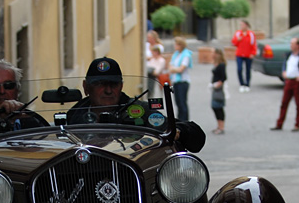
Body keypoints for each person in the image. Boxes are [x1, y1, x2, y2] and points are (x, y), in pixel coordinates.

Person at [68, 57, 205, 152]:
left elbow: (195, 136)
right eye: (100, 84)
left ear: (121, 86)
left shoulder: (139, 110)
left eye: (113, 84)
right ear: (86, 87)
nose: (108, 90)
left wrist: (178, 132)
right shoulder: (75, 114)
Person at [272, 37, 299, 131]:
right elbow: (285, 65)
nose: (291, 46)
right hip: (289, 81)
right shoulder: (289, 55)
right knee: (284, 103)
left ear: (298, 45)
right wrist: (284, 71)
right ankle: (279, 123)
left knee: (298, 104)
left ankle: (297, 124)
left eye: (293, 44)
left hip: (297, 81)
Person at [168, 36, 193, 121]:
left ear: (180, 45)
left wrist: (173, 69)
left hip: (183, 81)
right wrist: (174, 69)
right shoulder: (176, 54)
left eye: (176, 44)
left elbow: (181, 69)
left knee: (182, 103)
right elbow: (170, 65)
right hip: (175, 81)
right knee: (178, 102)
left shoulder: (186, 55)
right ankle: (180, 120)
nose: (175, 46)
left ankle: (185, 120)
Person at [230, 19, 257, 92]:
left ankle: (247, 84)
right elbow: (233, 43)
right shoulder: (238, 33)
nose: (241, 26)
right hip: (239, 54)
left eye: (242, 25)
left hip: (248, 55)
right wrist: (238, 40)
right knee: (239, 69)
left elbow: (254, 44)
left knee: (248, 70)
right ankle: (241, 84)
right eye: (240, 25)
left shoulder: (251, 34)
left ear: (246, 25)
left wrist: (253, 53)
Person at [209, 48, 227, 134]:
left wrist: (217, 85)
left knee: (218, 106)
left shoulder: (221, 65)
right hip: (215, 87)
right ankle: (219, 126)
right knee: (215, 106)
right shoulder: (217, 64)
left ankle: (221, 126)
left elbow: (223, 78)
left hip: (218, 88)